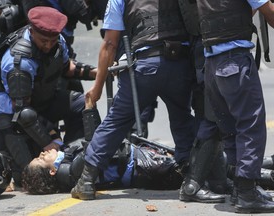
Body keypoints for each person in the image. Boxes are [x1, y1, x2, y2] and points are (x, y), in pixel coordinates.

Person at [70, 0, 196, 200]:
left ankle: (87, 180)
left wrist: (98, 86)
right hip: (179, 63)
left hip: (144, 66)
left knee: (116, 122)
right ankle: (191, 180)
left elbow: (110, 43)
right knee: (182, 120)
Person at [0, 6, 96, 186]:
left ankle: (71, 153)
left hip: (39, 100)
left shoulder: (57, 40)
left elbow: (66, 67)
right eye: (44, 40)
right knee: (29, 177)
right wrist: (49, 143)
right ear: (31, 30)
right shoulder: (19, 63)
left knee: (81, 102)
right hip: (11, 114)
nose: (48, 45)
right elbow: (23, 113)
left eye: (52, 41)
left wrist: (96, 73)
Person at [182, 0, 274, 214]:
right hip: (235, 61)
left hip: (212, 65)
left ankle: (240, 189)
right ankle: (247, 193)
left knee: (231, 129)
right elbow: (270, 15)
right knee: (250, 125)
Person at [22, 139, 182, 194]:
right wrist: (89, 111)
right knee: (192, 168)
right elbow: (93, 146)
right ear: (52, 171)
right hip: (146, 165)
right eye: (40, 159)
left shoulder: (69, 162)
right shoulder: (73, 172)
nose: (42, 154)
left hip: (142, 160)